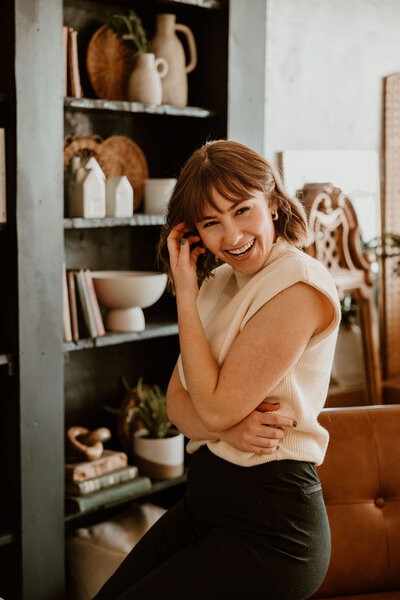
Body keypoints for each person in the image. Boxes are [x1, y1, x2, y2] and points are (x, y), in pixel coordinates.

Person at [93, 140, 341, 600]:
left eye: (242, 209)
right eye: (211, 222)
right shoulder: (220, 281)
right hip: (207, 506)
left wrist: (214, 417)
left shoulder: (297, 285)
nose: (231, 236)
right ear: (193, 234)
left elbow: (206, 407)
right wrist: (224, 429)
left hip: (272, 532)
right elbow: (176, 402)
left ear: (271, 201)